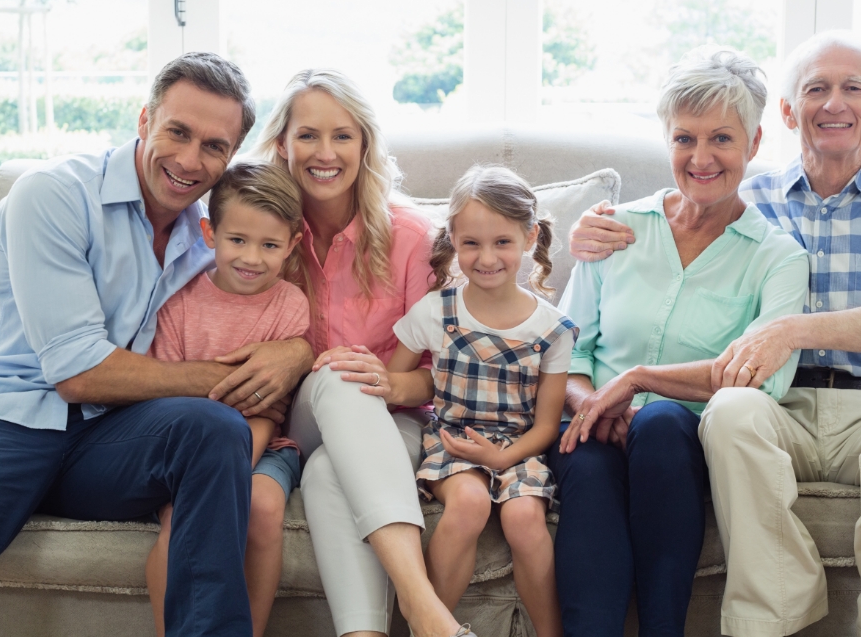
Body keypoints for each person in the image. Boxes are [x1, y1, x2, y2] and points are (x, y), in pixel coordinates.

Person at [0, 52, 314, 637]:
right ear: (144, 119)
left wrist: (296, 353)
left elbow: (268, 308)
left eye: (214, 146)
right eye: (178, 132)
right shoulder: (55, 195)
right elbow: (78, 375)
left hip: (106, 440)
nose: (190, 160)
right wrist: (244, 375)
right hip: (15, 418)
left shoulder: (209, 235)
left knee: (214, 430)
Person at [568, 31, 861, 636]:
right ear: (785, 115)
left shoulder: (769, 245)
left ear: (751, 141)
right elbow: (570, 342)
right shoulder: (717, 202)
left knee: (672, 420)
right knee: (702, 421)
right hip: (772, 407)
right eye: (816, 89)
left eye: (853, 88)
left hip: (772, 405)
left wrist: (639, 382)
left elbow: (763, 363)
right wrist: (572, 240)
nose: (703, 157)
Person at [249, 68, 473, 637]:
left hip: (391, 422)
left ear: (365, 144)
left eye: (343, 135)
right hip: (291, 422)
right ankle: (425, 612)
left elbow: (441, 374)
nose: (325, 153)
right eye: (308, 135)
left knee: (328, 473)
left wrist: (390, 384)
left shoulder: (411, 237)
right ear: (283, 143)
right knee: (339, 375)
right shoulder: (258, 234)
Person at [381, 165, 575, 637]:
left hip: (519, 447)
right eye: (471, 243)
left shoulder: (552, 329)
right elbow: (397, 381)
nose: (486, 258)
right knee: (468, 503)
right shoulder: (436, 310)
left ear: (530, 238)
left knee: (527, 518)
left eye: (502, 242)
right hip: (453, 442)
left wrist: (504, 456)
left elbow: (548, 425)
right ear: (453, 240)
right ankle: (430, 627)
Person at [144, 159, 309, 637]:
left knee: (261, 507)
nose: (252, 259)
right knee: (180, 520)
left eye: (270, 245)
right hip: (191, 452)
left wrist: (235, 465)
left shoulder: (288, 306)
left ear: (292, 246)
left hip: (263, 447)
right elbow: (167, 396)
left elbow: (268, 411)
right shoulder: (179, 301)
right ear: (209, 233)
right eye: (238, 240)